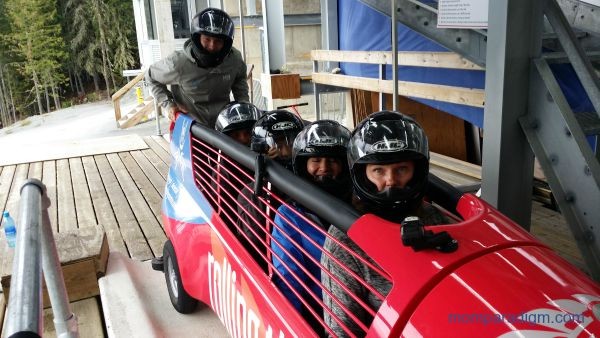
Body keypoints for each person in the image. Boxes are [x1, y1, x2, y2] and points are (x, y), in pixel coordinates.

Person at [321, 111, 448, 337]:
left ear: (416, 171)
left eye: (401, 169)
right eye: (378, 170)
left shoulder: (433, 217)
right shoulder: (344, 240)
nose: (390, 180)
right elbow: (341, 332)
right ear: (363, 174)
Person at [270, 120, 351, 331]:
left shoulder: (356, 207)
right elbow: (288, 279)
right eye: (316, 160)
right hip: (318, 316)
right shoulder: (289, 217)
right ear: (304, 164)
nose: (324, 168)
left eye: (332, 161)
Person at [146, 8, 249, 130]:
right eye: (207, 39)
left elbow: (240, 80)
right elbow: (150, 76)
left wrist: (243, 107)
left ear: (226, 43)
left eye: (218, 41)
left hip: (222, 129)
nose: (212, 46)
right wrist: (169, 105)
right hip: (189, 129)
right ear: (197, 37)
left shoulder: (234, 59)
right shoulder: (178, 63)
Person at [236, 109, 304, 268]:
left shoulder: (309, 177)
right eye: (279, 144)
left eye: (292, 143)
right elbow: (251, 235)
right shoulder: (248, 192)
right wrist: (267, 181)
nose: (286, 151)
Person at [210, 102, 262, 227]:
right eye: (236, 136)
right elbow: (224, 218)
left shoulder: (266, 155)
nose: (244, 139)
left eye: (248, 133)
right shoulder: (222, 174)